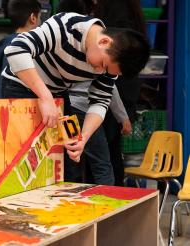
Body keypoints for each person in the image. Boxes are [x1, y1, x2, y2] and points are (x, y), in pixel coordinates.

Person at [2, 11, 150, 163]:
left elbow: (100, 101)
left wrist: (84, 137)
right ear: (104, 42)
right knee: (15, 157)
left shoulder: (111, 63)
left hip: (57, 94)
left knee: (68, 157)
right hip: (20, 85)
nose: (100, 72)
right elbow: (16, 49)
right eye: (103, 65)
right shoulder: (67, 27)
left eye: (106, 71)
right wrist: (45, 97)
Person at [55, 0, 129, 185]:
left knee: (70, 164)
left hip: (65, 111)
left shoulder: (63, 43)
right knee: (102, 163)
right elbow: (109, 89)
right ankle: (107, 207)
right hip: (85, 111)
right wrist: (123, 117)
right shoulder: (95, 46)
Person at [93, 0, 147, 186]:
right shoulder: (129, 8)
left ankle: (108, 199)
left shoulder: (117, 8)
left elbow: (109, 82)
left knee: (103, 153)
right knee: (110, 150)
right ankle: (114, 196)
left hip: (119, 88)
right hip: (124, 87)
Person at [0, 0, 41, 98]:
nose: (41, 21)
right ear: (33, 18)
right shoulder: (30, 44)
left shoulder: (5, 41)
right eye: (40, 17)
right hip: (18, 107)